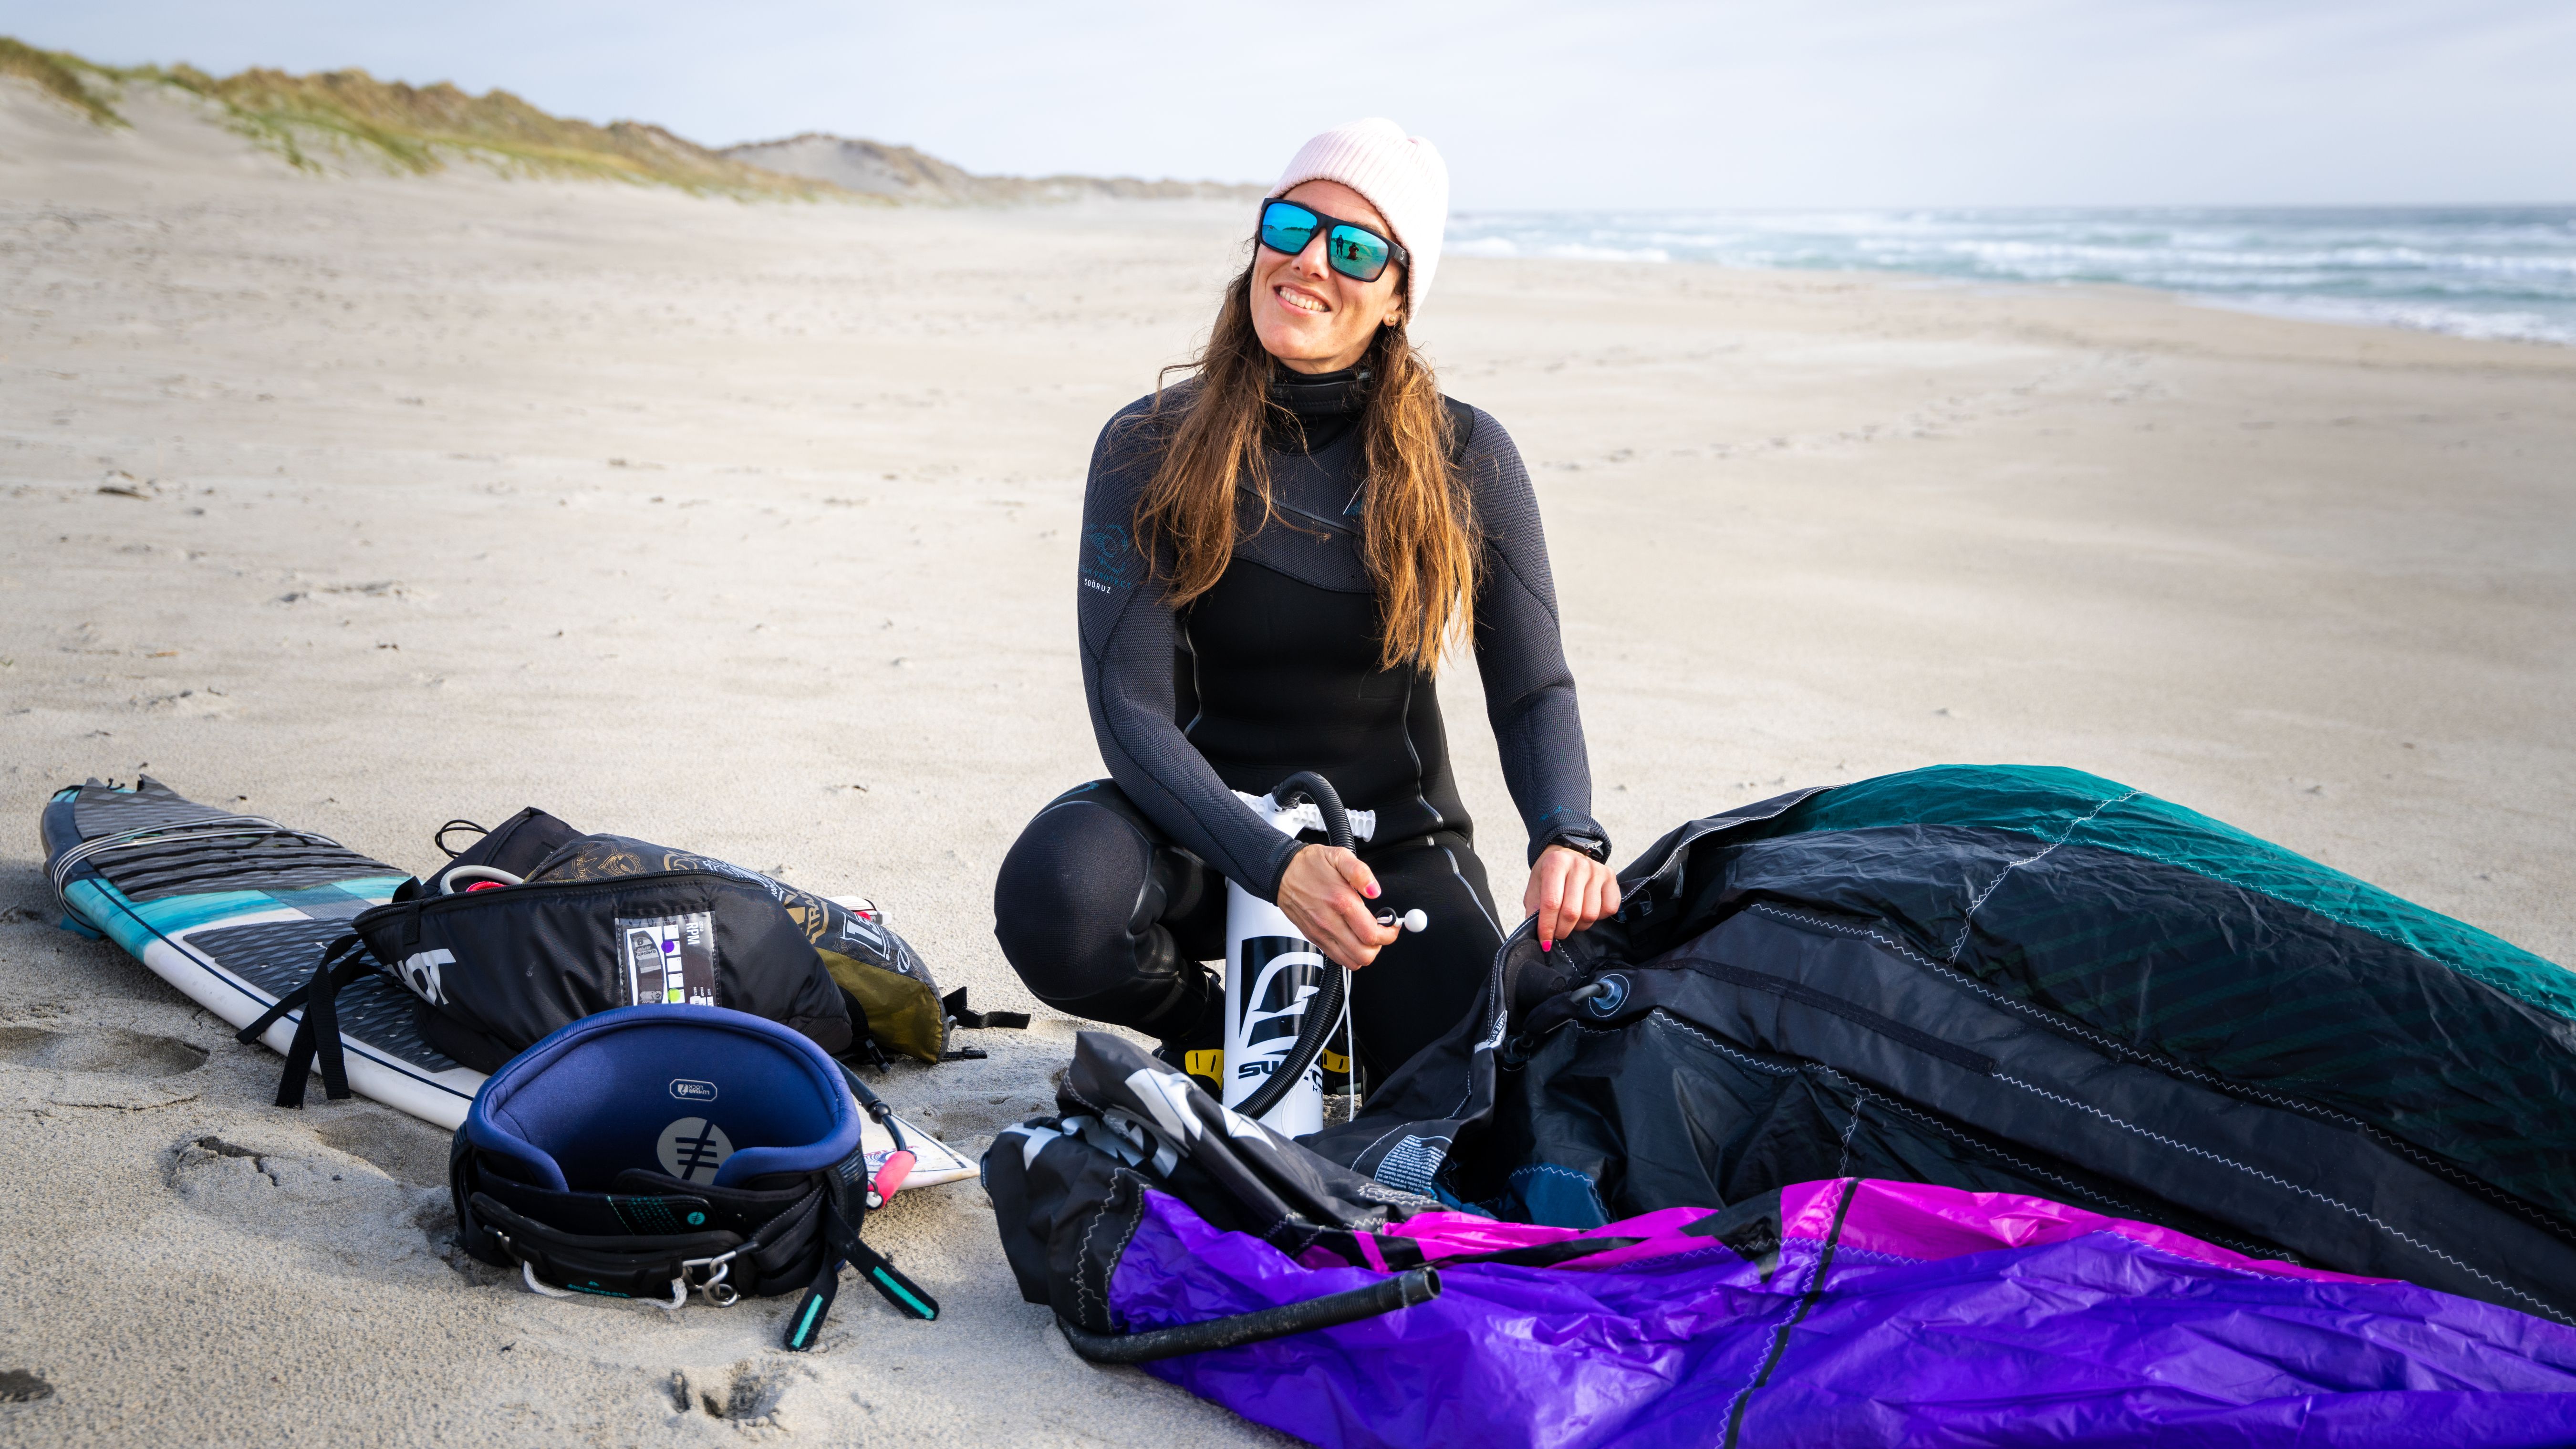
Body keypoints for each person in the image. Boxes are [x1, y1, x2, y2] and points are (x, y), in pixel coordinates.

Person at [993, 119, 1618, 1095]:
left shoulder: (1466, 457)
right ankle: (1213, 1026)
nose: (1311, 261)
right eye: (1293, 223)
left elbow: (1533, 687)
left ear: (1401, 296)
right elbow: (1131, 713)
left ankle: (1351, 1018)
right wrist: (1274, 862)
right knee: (1057, 895)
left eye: (1359, 247)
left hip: (1388, 853)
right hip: (1197, 832)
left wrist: (1566, 835)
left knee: (1463, 1090)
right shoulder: (1148, 445)